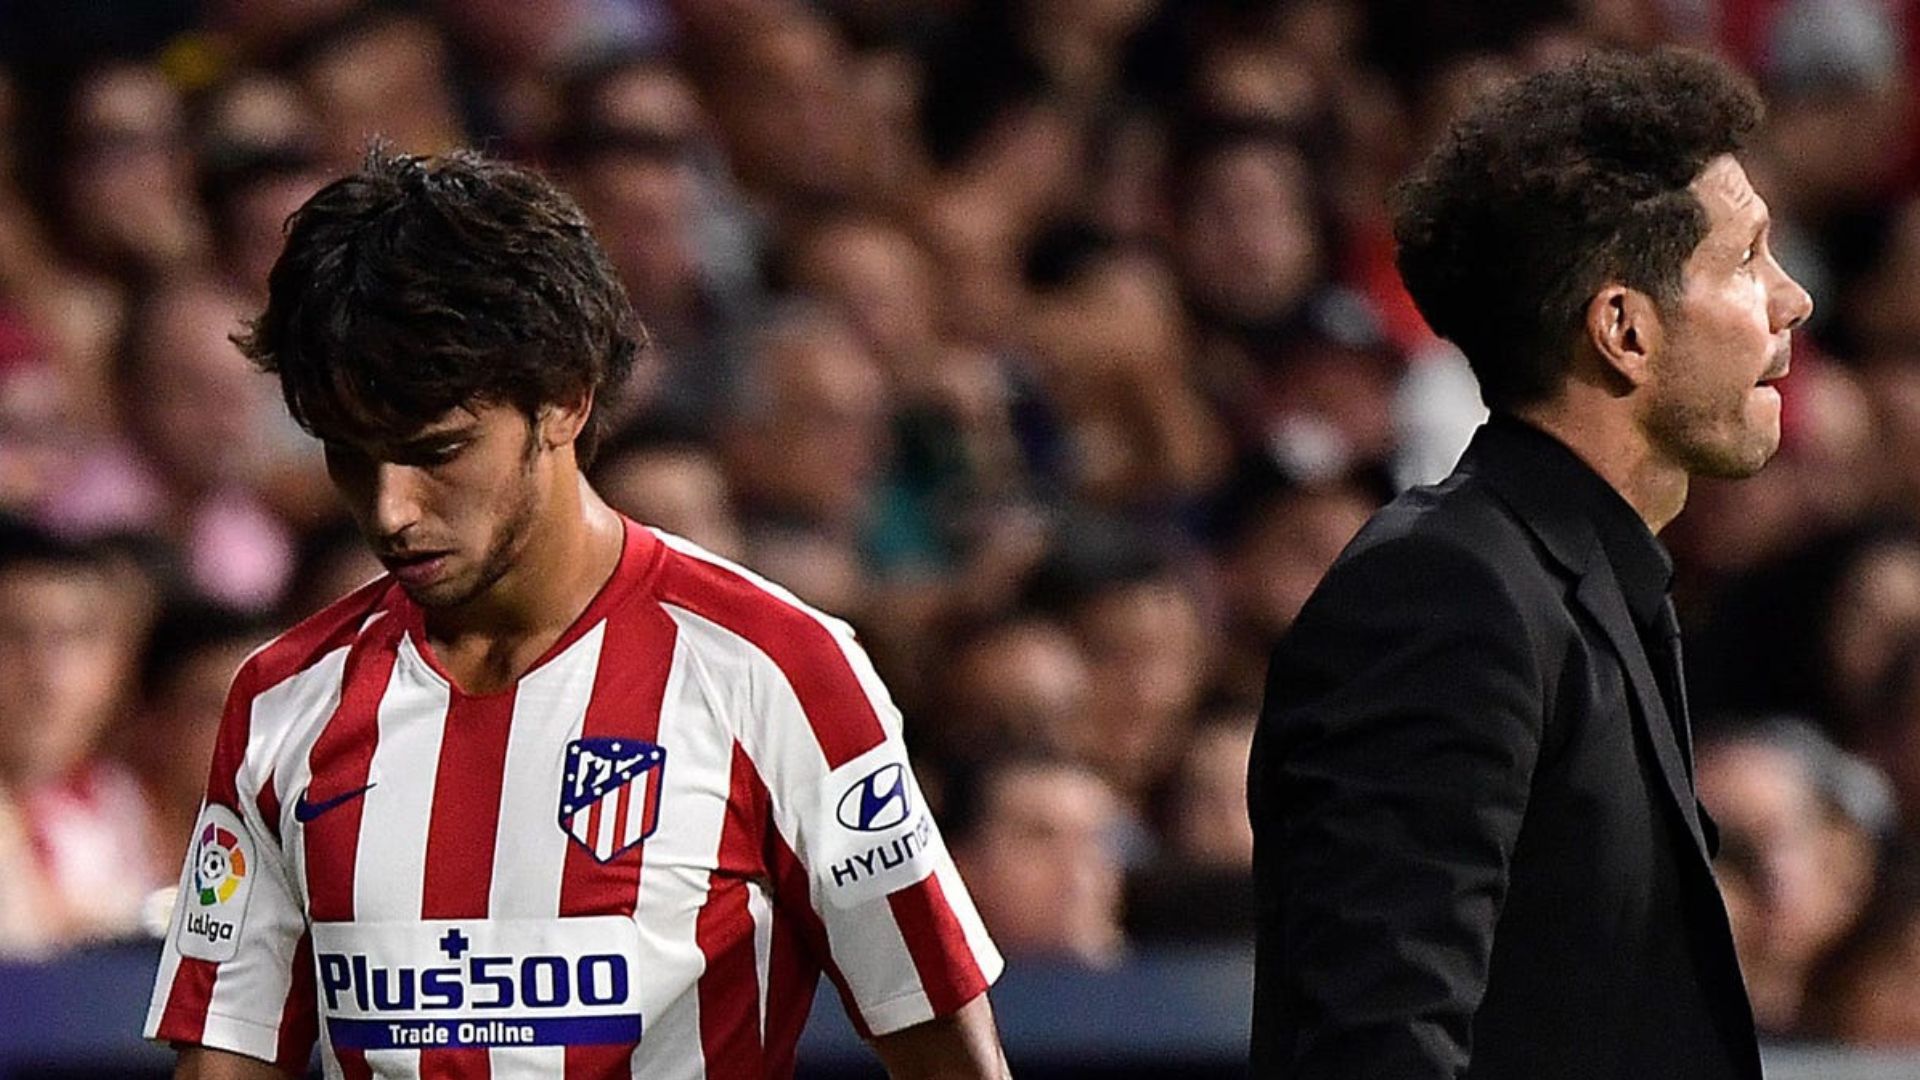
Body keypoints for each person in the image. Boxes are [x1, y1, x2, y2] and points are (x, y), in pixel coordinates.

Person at [144, 149, 1008, 1079]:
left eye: (437, 450)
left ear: (565, 398)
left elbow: (946, 1054)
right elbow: (225, 1063)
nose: (389, 509)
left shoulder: (779, 670)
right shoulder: (282, 700)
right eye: (349, 456)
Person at [1248, 49, 1813, 1079]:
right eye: (1749, 259)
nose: (1793, 301)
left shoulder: (1581, 583)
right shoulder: (1445, 596)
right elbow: (1379, 1049)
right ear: (1624, 330)